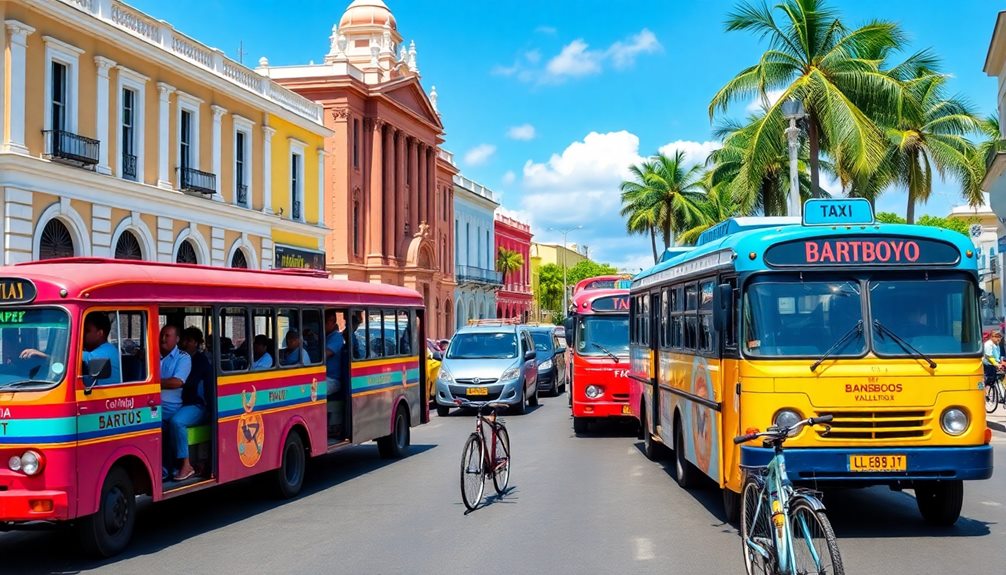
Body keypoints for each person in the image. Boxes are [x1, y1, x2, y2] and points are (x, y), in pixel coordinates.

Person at [168, 327, 211, 481]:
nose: (184, 343)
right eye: (183, 339)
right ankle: (169, 465)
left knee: (176, 422)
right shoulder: (179, 357)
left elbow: (185, 382)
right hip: (181, 403)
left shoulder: (200, 361)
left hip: (198, 405)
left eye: (188, 340)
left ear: (195, 343)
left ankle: (186, 465)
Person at [159, 324, 192, 480]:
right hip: (153, 405)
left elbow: (177, 382)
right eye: (162, 335)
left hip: (172, 407)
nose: (163, 339)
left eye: (167, 336)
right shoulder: (153, 355)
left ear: (177, 339)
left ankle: (173, 466)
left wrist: (153, 383)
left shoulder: (183, 357)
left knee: (173, 423)